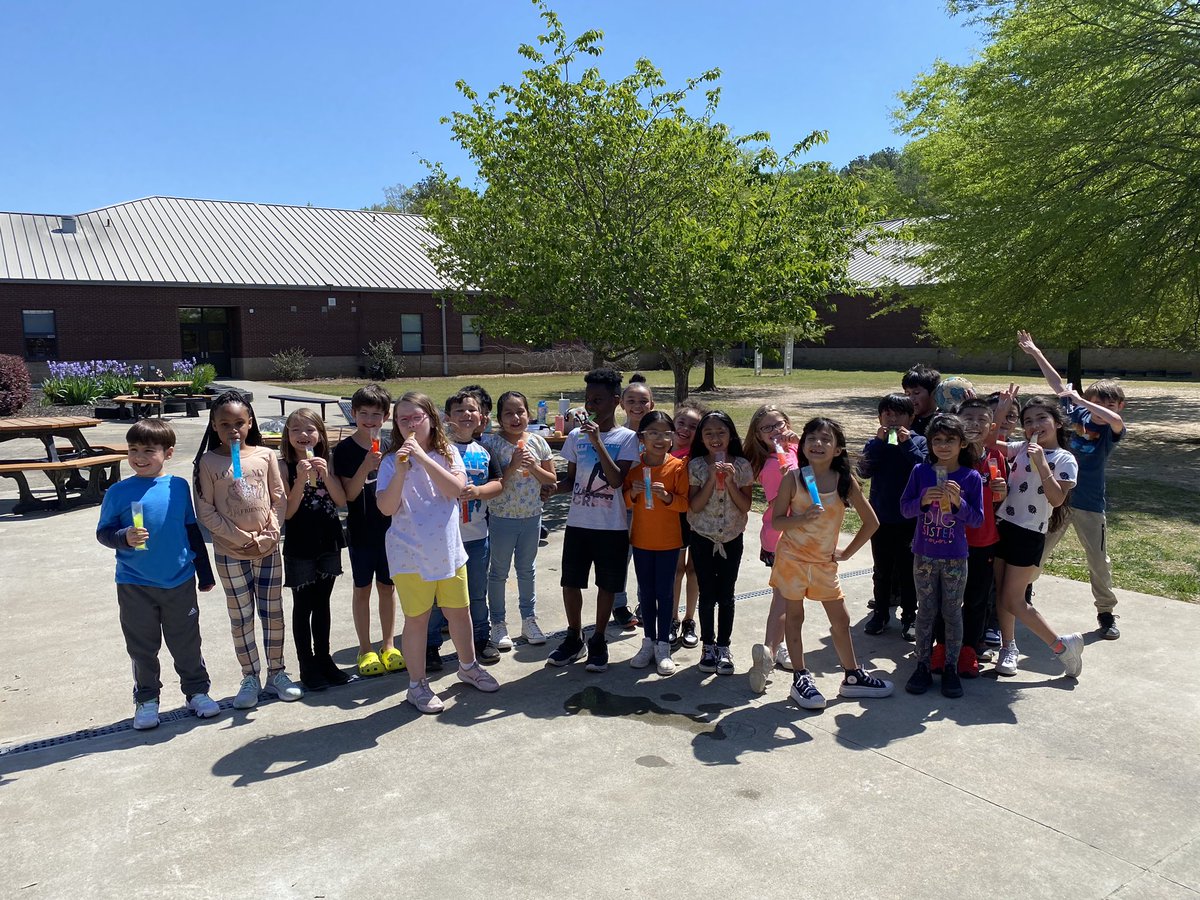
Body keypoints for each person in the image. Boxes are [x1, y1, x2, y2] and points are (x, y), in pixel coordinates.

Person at [376, 391, 500, 713]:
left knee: (459, 612)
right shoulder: (391, 462)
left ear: (431, 419)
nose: (411, 424)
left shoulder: (448, 455)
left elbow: (457, 490)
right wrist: (403, 468)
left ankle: (468, 666)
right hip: (409, 555)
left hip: (448, 550)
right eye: (403, 419)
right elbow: (386, 507)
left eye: (417, 417)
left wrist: (423, 457)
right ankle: (416, 686)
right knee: (417, 619)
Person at [96, 418, 219, 730]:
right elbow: (104, 532)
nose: (139, 456)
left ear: (168, 453)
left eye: (149, 450)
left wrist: (204, 574)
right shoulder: (118, 492)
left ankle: (196, 693)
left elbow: (192, 531)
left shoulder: (177, 487)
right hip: (134, 582)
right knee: (142, 646)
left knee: (187, 642)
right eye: (133, 449)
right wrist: (123, 536)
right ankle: (147, 699)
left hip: (179, 580)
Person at [770, 418, 893, 709]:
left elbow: (871, 522)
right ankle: (800, 677)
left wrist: (847, 553)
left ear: (838, 450)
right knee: (794, 616)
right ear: (802, 445)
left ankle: (852, 676)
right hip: (792, 560)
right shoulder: (793, 478)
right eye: (812, 438)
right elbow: (777, 521)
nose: (818, 444)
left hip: (824, 563)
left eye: (826, 440)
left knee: (841, 619)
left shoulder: (844, 481)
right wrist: (801, 518)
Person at [193, 390, 302, 709]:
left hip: (268, 551)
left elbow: (277, 497)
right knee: (241, 617)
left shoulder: (265, 456)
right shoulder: (209, 461)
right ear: (213, 425)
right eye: (224, 423)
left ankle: (277, 672)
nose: (233, 430)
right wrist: (239, 537)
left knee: (273, 614)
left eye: (239, 423)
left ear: (250, 422)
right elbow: (206, 510)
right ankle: (249, 676)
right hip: (231, 553)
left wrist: (271, 533)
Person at [1018, 330, 1127, 639]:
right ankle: (1023, 593)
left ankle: (1106, 612)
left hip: (1090, 505)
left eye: (1110, 403)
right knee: (1038, 550)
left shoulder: (1110, 430)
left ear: (1119, 405)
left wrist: (1082, 400)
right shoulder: (1075, 412)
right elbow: (1056, 383)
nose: (1102, 407)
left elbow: (1115, 421)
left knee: (1098, 560)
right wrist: (1036, 351)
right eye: (1097, 401)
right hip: (1056, 498)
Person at [547, 368, 640, 672]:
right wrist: (550, 489)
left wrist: (598, 442)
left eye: (598, 400)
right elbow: (572, 480)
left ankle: (598, 638)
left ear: (616, 401)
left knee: (606, 585)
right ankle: (575, 636)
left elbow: (616, 481)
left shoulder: (626, 439)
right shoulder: (575, 436)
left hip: (611, 527)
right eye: (588, 399)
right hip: (578, 524)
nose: (590, 406)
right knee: (571, 583)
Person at [991, 395, 1085, 678]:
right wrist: (1000, 412)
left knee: (1014, 599)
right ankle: (1009, 647)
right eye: (1028, 421)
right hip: (1003, 525)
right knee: (1001, 593)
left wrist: (1042, 463)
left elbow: (1057, 499)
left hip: (1029, 531)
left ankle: (1062, 646)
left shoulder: (1064, 458)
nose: (1035, 425)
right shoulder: (1020, 448)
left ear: (1057, 423)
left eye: (1042, 418)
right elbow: (988, 443)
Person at [899, 413, 986, 697]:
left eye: (950, 440)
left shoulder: (970, 477)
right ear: (930, 443)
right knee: (926, 611)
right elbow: (905, 509)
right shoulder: (920, 472)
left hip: (955, 557)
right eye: (937, 440)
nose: (943, 446)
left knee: (951, 612)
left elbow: (976, 520)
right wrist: (923, 501)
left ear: (962, 443)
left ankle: (950, 666)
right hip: (924, 554)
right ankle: (922, 664)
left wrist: (958, 502)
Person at [426, 389, 505, 670]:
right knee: (438, 597)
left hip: (476, 538)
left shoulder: (485, 450)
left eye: (472, 410)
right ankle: (430, 645)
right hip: (444, 540)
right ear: (447, 418)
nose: (466, 415)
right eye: (459, 411)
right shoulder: (437, 453)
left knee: (475, 593)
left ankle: (481, 639)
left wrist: (480, 490)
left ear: (482, 418)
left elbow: (499, 483)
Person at [333, 384, 403, 678]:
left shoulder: (392, 448)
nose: (370, 421)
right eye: (364, 414)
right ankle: (365, 648)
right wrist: (365, 467)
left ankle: (388, 644)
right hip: (361, 530)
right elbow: (347, 496)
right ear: (355, 414)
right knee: (363, 589)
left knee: (388, 588)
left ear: (386, 417)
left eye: (377, 414)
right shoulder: (345, 450)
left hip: (391, 530)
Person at [280, 408, 350, 692]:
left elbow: (341, 500)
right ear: (288, 436)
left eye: (309, 429)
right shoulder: (283, 466)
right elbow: (287, 511)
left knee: (323, 603)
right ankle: (306, 663)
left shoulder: (328, 462)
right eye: (296, 430)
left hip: (328, 540)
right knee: (303, 605)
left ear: (320, 434)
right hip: (300, 544)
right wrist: (299, 479)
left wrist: (326, 475)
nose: (303, 435)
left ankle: (324, 657)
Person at [482, 390, 556, 649]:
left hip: (532, 517)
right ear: (499, 418)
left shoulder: (538, 442)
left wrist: (533, 466)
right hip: (502, 517)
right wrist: (512, 465)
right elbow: (493, 481)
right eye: (508, 413)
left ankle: (528, 619)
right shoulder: (491, 444)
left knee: (527, 571)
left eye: (520, 411)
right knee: (499, 572)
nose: (515, 417)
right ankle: (498, 624)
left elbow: (551, 479)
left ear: (529, 413)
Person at [942, 397, 1008, 677]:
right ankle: (943, 646)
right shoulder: (949, 457)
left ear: (991, 425)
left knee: (977, 597)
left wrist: (1001, 492)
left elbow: (998, 501)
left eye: (982, 419)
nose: (975, 424)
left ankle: (970, 646)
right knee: (946, 597)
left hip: (983, 540)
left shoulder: (995, 457)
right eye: (968, 418)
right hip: (948, 539)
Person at [687, 411, 754, 676]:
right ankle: (708, 646)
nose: (715, 438)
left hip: (731, 537)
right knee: (707, 594)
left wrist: (730, 482)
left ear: (730, 435)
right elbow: (695, 505)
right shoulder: (696, 466)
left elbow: (746, 505)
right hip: (702, 537)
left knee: (726, 595)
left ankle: (724, 646)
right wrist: (713, 480)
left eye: (721, 433)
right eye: (709, 434)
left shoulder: (742, 465)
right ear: (701, 438)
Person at [624, 411, 690, 676]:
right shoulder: (635, 468)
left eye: (666, 433)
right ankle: (647, 642)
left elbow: (686, 504)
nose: (660, 439)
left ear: (673, 438)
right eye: (653, 433)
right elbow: (624, 502)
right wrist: (633, 493)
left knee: (665, 593)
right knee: (645, 593)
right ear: (642, 438)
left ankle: (664, 645)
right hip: (641, 540)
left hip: (669, 542)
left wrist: (667, 498)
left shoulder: (678, 467)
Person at [857, 393, 926, 641]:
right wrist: (878, 443)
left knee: (909, 571)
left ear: (911, 417)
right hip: (881, 518)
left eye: (899, 414)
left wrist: (907, 444)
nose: (893, 419)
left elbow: (925, 469)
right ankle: (881, 613)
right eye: (887, 414)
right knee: (882, 569)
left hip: (910, 519)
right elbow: (863, 470)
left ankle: (909, 616)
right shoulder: (876, 443)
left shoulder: (919, 441)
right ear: (880, 417)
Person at [742, 404, 800, 693]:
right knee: (785, 597)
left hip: (791, 536)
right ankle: (770, 650)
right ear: (758, 436)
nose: (776, 431)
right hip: (786, 538)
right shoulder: (774, 465)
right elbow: (804, 487)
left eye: (779, 424)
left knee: (788, 597)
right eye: (767, 428)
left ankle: (779, 647)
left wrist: (798, 441)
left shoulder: (794, 450)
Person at [610, 373, 656, 630]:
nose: (638, 405)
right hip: (622, 506)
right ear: (622, 404)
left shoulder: (659, 433)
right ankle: (619, 604)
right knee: (621, 557)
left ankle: (645, 603)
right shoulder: (618, 434)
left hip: (651, 509)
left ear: (652, 404)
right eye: (632, 400)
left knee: (647, 557)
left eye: (643, 400)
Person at [669, 401, 707, 650]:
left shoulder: (701, 458)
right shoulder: (660, 450)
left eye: (693, 426)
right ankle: (671, 619)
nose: (685, 429)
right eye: (681, 422)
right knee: (675, 571)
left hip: (698, 518)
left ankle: (689, 620)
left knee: (694, 571)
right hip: (671, 519)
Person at [902, 364, 941, 436]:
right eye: (907, 394)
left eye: (916, 393)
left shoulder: (942, 420)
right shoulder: (906, 420)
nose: (911, 398)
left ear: (934, 393)